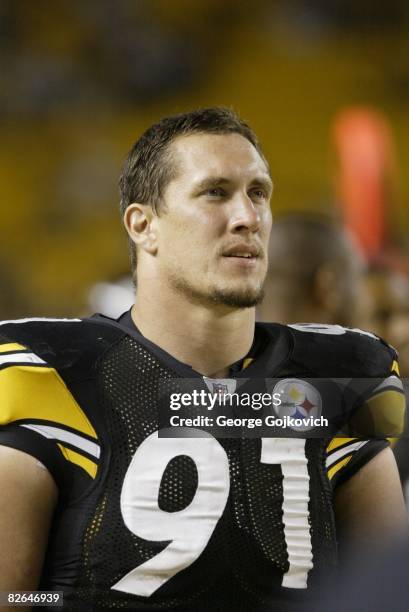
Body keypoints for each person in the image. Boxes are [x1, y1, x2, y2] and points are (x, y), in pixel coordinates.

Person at [0, 108, 407, 611]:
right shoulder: (55, 375)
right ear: (143, 224)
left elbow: (387, 598)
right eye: (215, 192)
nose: (248, 217)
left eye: (258, 193)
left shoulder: (343, 376)